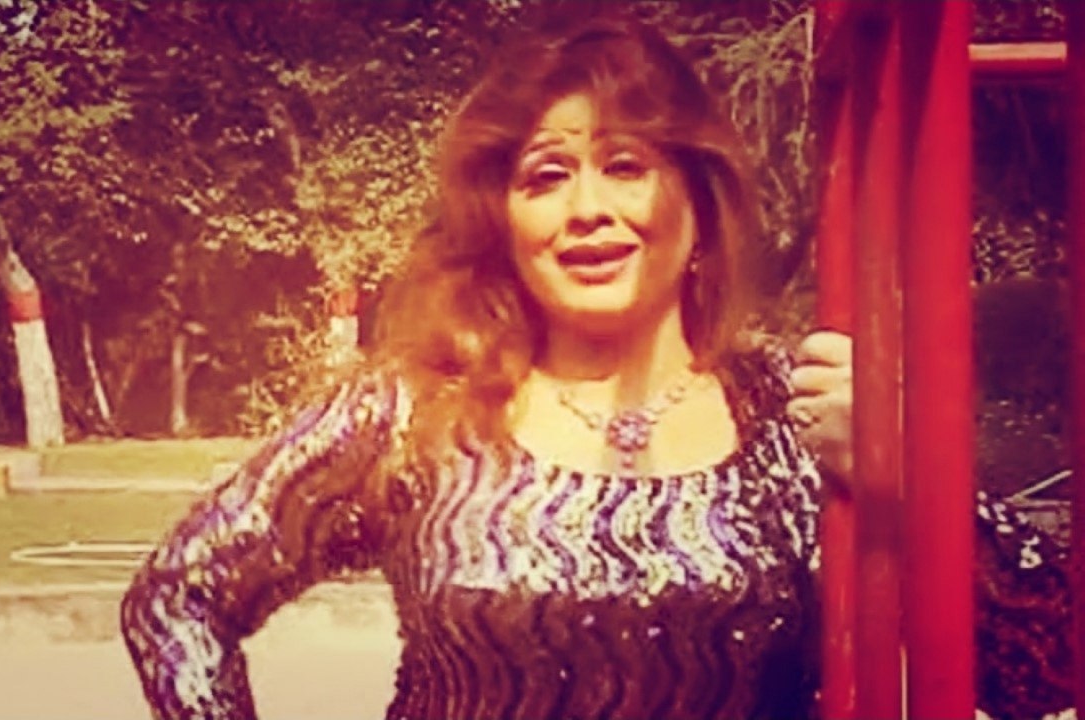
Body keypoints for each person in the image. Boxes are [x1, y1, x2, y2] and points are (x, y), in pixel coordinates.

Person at [121, 13, 854, 719]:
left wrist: (896, 476)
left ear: (698, 197)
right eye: (546, 176)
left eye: (625, 166)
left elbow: (928, 656)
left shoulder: (797, 412)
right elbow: (177, 599)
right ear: (500, 220)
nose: (586, 208)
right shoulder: (415, 413)